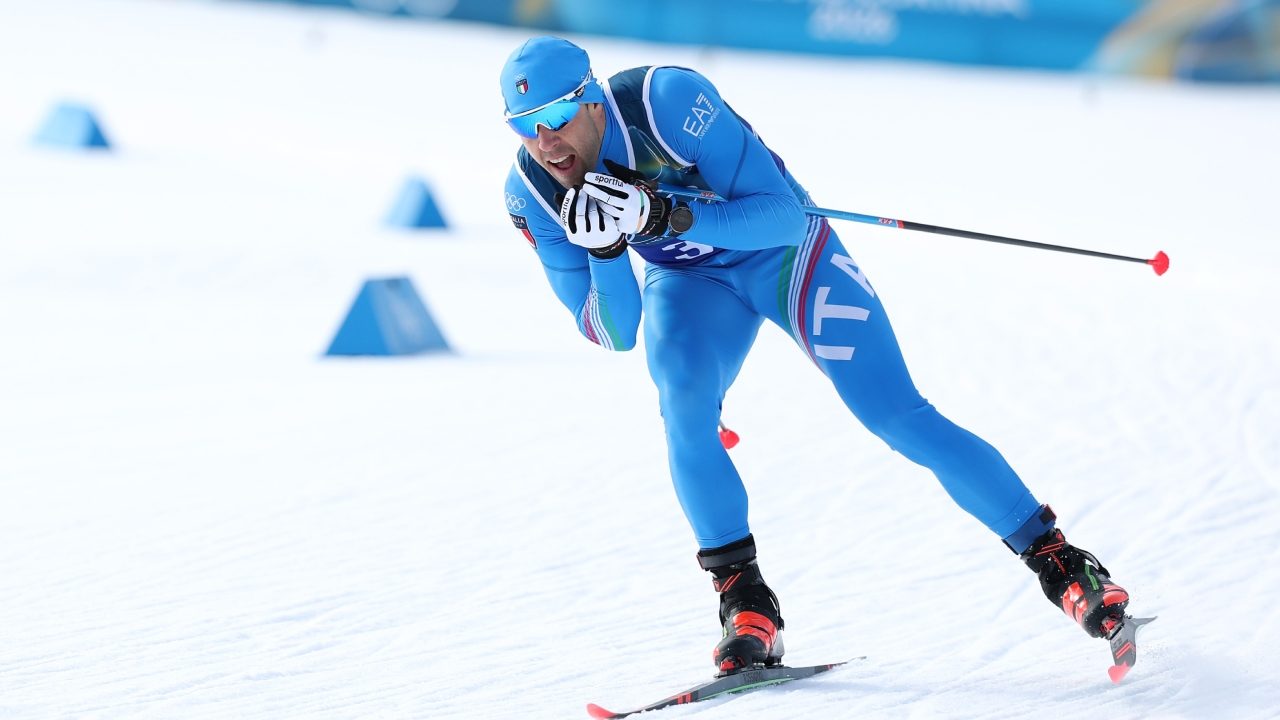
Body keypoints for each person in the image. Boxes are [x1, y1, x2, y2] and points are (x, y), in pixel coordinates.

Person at [498, 36, 1131, 675]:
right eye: (525, 127)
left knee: (896, 415)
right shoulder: (531, 192)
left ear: (595, 101)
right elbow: (613, 332)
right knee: (683, 413)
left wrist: (668, 215)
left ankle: (1062, 564)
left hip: (784, 259)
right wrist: (608, 254)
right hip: (691, 285)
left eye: (556, 118)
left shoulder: (665, 102)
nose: (546, 143)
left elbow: (783, 219)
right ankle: (746, 605)